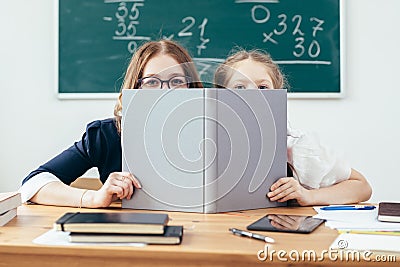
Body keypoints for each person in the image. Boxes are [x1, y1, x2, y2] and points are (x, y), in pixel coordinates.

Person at [20, 40, 203, 208]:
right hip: (132, 233)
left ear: (192, 88)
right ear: (134, 89)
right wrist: (94, 198)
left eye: (177, 81)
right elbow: (34, 183)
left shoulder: (212, 132)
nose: (165, 91)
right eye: (152, 82)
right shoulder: (106, 135)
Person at [213, 49, 372, 206]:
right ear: (220, 95)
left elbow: (362, 186)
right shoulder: (207, 141)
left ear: (278, 95)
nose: (253, 96)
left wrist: (310, 195)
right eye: (239, 87)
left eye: (263, 87)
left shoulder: (297, 148)